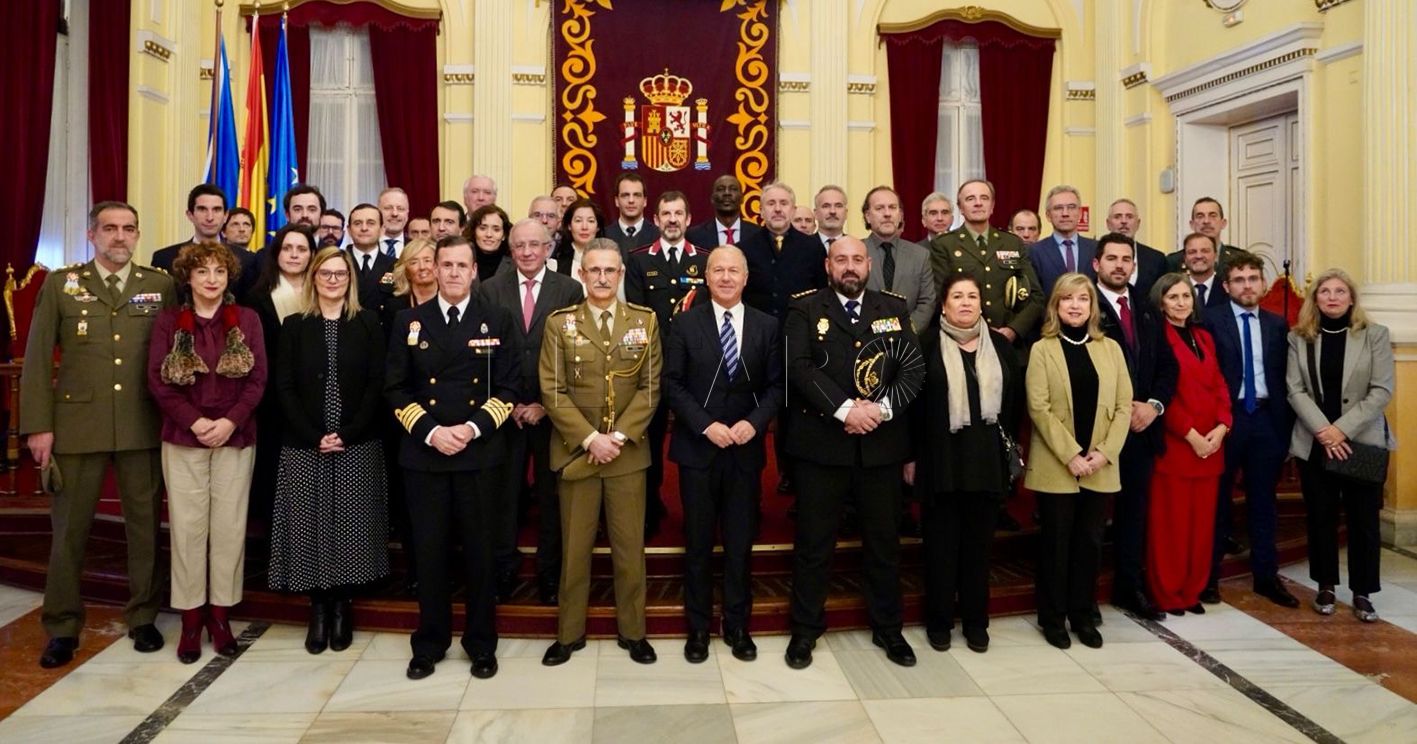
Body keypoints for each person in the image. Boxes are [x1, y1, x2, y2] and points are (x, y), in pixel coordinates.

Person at [21, 202, 176, 669]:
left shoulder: (160, 285)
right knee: (70, 533)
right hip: (77, 428)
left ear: (138, 235)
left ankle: (143, 616)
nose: (120, 237)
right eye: (110, 229)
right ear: (92, 235)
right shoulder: (62, 284)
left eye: (129, 229)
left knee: (145, 529)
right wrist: (38, 426)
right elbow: (36, 357)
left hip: (140, 425)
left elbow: (170, 357)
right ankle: (63, 625)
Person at [386, 236, 520, 681]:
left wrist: (470, 428)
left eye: (463, 265)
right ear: (434, 270)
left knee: (481, 554)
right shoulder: (410, 320)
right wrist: (432, 431)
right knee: (429, 554)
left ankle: (481, 644)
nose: (455, 272)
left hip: (478, 453)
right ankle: (430, 642)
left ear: (474, 271)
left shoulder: (496, 318)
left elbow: (508, 387)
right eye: (447, 265)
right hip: (425, 455)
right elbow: (396, 388)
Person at [782, 236, 919, 670]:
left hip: (880, 447)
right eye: (841, 259)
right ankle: (805, 630)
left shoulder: (893, 309)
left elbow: (912, 368)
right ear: (828, 265)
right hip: (822, 448)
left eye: (857, 259)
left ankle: (889, 629)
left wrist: (878, 410)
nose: (850, 267)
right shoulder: (804, 307)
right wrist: (845, 411)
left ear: (869, 265)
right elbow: (798, 366)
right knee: (813, 545)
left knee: (883, 543)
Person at [539, 239, 662, 667]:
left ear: (622, 274)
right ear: (582, 274)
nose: (603, 278)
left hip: (627, 456)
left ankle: (634, 631)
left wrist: (620, 438)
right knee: (574, 550)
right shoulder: (560, 324)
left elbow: (650, 390)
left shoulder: (645, 322)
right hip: (578, 452)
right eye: (595, 270)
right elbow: (552, 391)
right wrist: (593, 439)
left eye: (611, 270)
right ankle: (568, 634)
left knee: (630, 549)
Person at [146, 242, 266, 663]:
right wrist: (195, 422)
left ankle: (220, 614)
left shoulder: (247, 320)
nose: (211, 279)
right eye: (203, 272)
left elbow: (258, 381)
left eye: (218, 271)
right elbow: (159, 382)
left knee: (230, 528)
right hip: (183, 437)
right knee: (188, 530)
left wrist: (229, 421)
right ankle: (192, 618)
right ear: (188, 279)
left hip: (235, 436)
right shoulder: (168, 322)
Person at [664, 245, 783, 663]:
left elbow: (777, 386)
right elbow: (672, 384)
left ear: (746, 278)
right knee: (697, 544)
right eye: (718, 270)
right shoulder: (684, 323)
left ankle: (737, 624)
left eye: (734, 270)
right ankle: (697, 628)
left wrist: (754, 422)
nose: (727, 277)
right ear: (707, 277)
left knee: (739, 545)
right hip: (699, 449)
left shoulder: (768, 326)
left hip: (745, 449)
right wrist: (705, 425)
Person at [269, 246, 390, 654]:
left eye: (341, 274)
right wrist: (313, 433)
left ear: (350, 280)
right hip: (305, 442)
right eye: (326, 274)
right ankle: (318, 609)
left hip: (358, 440)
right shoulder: (294, 325)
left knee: (350, 525)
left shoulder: (369, 323)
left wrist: (348, 433)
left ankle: (343, 606)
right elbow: (282, 386)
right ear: (314, 278)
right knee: (310, 522)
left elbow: (377, 384)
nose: (333, 280)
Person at [907, 272, 1021, 654]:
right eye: (958, 296)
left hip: (986, 462)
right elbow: (911, 410)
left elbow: (1014, 407)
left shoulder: (1001, 349)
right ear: (944, 304)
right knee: (940, 548)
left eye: (972, 296)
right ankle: (939, 621)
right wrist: (910, 457)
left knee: (978, 550)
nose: (966, 303)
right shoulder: (924, 346)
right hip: (940, 461)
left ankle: (976, 622)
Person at [476, 220, 584, 605]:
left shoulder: (569, 289)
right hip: (503, 413)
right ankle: (503, 568)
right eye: (519, 245)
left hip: (551, 412)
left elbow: (575, 355)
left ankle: (550, 573)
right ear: (510, 249)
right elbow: (483, 353)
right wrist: (507, 404)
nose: (526, 252)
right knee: (503, 497)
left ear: (549, 248)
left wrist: (544, 404)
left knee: (553, 498)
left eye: (534, 245)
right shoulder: (488, 289)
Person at [1025, 273, 1132, 650]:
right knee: (1056, 544)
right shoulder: (1042, 349)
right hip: (1058, 464)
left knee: (1089, 543)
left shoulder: (1112, 349)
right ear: (1055, 306)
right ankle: (1052, 618)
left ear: (1092, 306)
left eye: (1082, 299)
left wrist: (1103, 453)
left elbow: (1123, 407)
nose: (1075, 305)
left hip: (1100, 463)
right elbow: (1038, 408)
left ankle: (1082, 615)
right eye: (1067, 299)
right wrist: (1072, 455)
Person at [1286, 269, 1395, 622]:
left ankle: (1363, 591)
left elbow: (1381, 390)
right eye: (1325, 291)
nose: (1332, 297)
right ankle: (1326, 585)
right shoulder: (1299, 337)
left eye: (1340, 291)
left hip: (1360, 441)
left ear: (1351, 298)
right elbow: (1295, 390)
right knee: (1321, 517)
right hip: (1315, 442)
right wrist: (1323, 431)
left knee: (1364, 520)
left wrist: (1341, 431)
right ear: (1315, 299)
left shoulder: (1375, 335)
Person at [1203, 253, 1298, 608]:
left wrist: (1285, 430)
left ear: (1262, 284)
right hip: (1226, 422)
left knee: (1263, 502)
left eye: (1253, 278)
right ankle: (1208, 578)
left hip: (1265, 420)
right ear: (1227, 286)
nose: (1247, 285)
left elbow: (1286, 379)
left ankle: (1266, 577)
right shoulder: (1211, 321)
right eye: (1239, 279)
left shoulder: (1277, 325)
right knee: (1218, 502)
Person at [1091, 234, 1177, 622]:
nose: (1120, 265)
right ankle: (1083, 596)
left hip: (1142, 430)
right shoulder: (1081, 305)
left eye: (1127, 259)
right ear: (1097, 264)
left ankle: (1129, 588)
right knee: (1090, 519)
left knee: (1133, 516)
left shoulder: (1145, 308)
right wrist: (1125, 409)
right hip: (1095, 432)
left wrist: (1154, 406)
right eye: (1112, 258)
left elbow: (1167, 367)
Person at [626, 191, 708, 540]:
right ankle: (649, 507)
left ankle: (700, 514)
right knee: (650, 440)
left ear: (689, 219)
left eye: (679, 213)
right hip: (653, 368)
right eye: (666, 214)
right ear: (655, 220)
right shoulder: (639, 260)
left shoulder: (705, 260)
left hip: (696, 371)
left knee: (697, 441)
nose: (672, 219)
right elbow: (636, 317)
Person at [1147, 273, 1231, 615]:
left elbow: (1220, 385)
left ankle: (1191, 590)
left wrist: (1224, 426)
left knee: (1201, 527)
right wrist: (1191, 434)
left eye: (1185, 296)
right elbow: (1162, 392)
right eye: (1173, 297)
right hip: (1178, 446)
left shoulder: (1204, 337)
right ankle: (1168, 593)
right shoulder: (1157, 337)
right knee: (1172, 527)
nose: (1181, 302)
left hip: (1211, 446)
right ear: (1161, 302)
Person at [241, 224, 314, 551]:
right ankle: (280, 552)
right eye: (288, 249)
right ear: (277, 254)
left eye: (302, 249)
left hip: (315, 400)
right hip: (272, 402)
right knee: (276, 477)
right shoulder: (257, 296)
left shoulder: (323, 291)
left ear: (313, 254)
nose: (295, 255)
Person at [928, 180, 1044, 348]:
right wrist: (973, 331)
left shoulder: (1012, 243)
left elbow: (1036, 297)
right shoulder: (944, 245)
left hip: (1009, 344)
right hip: (962, 342)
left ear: (992, 206)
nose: (978, 203)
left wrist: (1014, 329)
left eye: (984, 198)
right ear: (960, 207)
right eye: (970, 199)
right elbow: (941, 296)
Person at [151, 184, 260, 299]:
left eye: (216, 210)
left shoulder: (247, 260)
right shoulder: (164, 258)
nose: (210, 217)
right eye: (202, 209)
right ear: (190, 215)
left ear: (225, 216)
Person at [741, 181, 828, 320]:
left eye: (783, 203)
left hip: (800, 329)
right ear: (761, 210)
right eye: (771, 203)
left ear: (793, 210)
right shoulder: (744, 249)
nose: (777, 209)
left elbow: (823, 293)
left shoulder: (813, 247)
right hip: (758, 332)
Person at [862, 185, 936, 331]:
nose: (887, 213)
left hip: (909, 341)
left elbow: (927, 302)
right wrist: (877, 331)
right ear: (867, 216)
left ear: (900, 215)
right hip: (863, 340)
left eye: (892, 207)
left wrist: (904, 331)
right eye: (879, 208)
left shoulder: (920, 255)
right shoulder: (855, 253)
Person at [1030, 185, 1097, 292]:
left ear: (1080, 213)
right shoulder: (1034, 252)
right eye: (1058, 208)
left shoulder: (1096, 248)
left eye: (1071, 207)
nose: (1065, 213)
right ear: (1048, 215)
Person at [1103, 199, 1167, 300]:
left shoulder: (1156, 259)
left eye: (1129, 217)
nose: (1124, 221)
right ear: (1108, 223)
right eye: (1117, 216)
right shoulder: (1094, 254)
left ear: (1138, 223)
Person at [345, 203, 397, 324]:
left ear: (382, 229)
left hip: (382, 336)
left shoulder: (396, 266)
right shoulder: (338, 263)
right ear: (349, 230)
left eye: (371, 223)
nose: (364, 228)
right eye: (357, 223)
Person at [1166, 197, 1243, 273]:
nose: (1206, 221)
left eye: (1212, 216)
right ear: (1192, 224)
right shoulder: (1173, 261)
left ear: (1223, 223)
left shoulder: (1239, 258)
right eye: (1200, 216)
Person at [686, 174, 763, 249]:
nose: (727, 193)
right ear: (712, 198)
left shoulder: (758, 234)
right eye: (720, 189)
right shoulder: (694, 236)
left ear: (742, 198)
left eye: (733, 189)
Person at [551, 198, 608, 290]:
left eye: (590, 221)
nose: (584, 227)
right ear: (569, 226)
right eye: (578, 221)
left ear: (598, 227)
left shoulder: (611, 261)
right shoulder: (555, 264)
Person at [385, 238, 439, 327]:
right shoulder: (395, 307)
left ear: (438, 265)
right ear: (406, 271)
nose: (422, 267)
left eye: (427, 260)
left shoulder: (450, 300)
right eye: (414, 263)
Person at [1181, 233, 1231, 321]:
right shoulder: (1175, 289)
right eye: (1192, 252)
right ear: (1185, 258)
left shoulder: (1228, 289)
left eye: (1205, 251)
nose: (1198, 256)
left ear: (1216, 256)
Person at [605, 172, 659, 250]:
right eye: (625, 195)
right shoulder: (604, 236)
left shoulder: (659, 236)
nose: (631, 200)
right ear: (616, 201)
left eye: (637, 195)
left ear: (645, 201)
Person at [467, 204, 511, 282]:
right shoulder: (462, 261)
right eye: (483, 228)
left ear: (504, 235)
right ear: (474, 232)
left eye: (496, 230)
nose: (489, 234)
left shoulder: (515, 265)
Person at [812, 185, 848, 251]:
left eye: (838, 206)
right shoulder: (801, 247)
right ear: (816, 213)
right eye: (826, 206)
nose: (832, 211)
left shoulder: (856, 247)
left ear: (846, 213)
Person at [378, 186, 411, 257]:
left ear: (407, 214)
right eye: (388, 208)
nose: (394, 214)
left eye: (400, 209)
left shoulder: (417, 249)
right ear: (378, 212)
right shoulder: (366, 247)